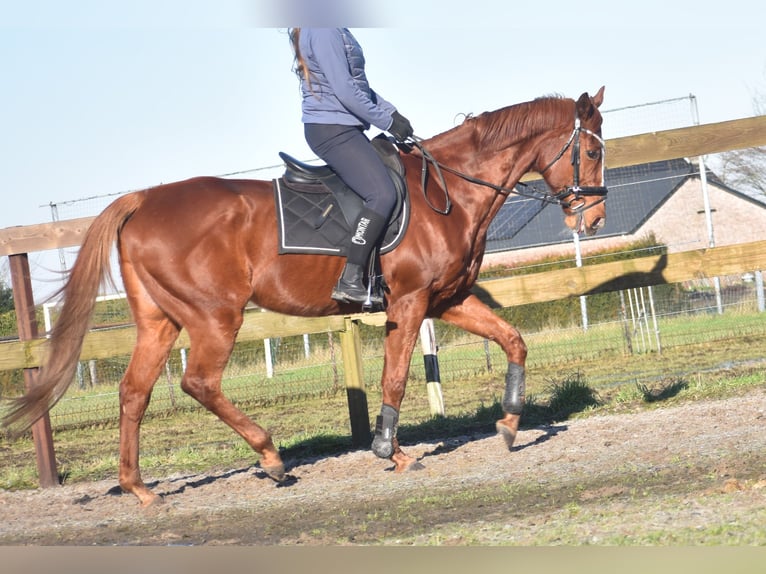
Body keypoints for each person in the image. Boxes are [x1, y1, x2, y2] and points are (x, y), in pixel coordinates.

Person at [289, 27, 414, 304]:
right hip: (331, 128)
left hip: (344, 125)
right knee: (382, 194)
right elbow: (345, 90)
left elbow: (356, 85)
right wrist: (387, 122)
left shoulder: (335, 28)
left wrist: (391, 111)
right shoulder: (323, 30)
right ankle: (350, 278)